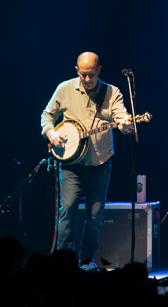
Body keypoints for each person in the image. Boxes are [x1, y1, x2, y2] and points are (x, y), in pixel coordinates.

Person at [41, 52, 134, 270]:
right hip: (71, 163)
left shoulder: (112, 92)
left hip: (100, 163)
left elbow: (121, 116)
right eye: (83, 74)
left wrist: (125, 125)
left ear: (99, 70)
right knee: (68, 211)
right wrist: (50, 133)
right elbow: (47, 115)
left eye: (91, 74)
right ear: (77, 71)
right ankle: (63, 261)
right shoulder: (64, 89)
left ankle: (85, 260)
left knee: (95, 216)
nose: (87, 78)